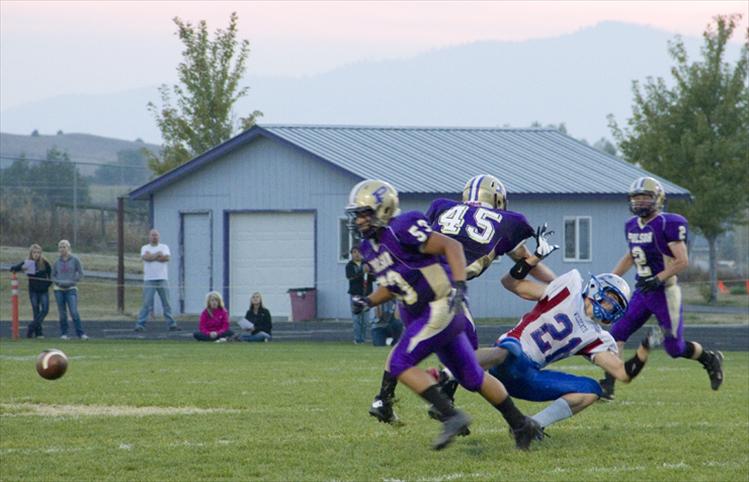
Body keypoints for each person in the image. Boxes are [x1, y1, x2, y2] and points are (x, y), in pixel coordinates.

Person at [346, 179, 543, 451]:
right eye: (357, 216)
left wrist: (459, 285)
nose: (359, 221)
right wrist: (367, 300)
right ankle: (522, 424)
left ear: (384, 209)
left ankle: (451, 416)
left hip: (440, 305)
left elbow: (453, 247)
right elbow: (392, 285)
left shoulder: (404, 226)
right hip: (421, 312)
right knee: (472, 377)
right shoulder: (369, 250)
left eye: (364, 214)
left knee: (400, 362)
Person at [473, 251, 656, 433]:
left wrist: (644, 350)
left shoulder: (596, 337)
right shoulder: (568, 289)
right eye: (610, 298)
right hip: (509, 353)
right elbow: (510, 283)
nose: (611, 306)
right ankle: (454, 371)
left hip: (527, 375)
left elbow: (623, 373)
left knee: (591, 389)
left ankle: (530, 426)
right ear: (595, 288)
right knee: (511, 349)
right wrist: (534, 258)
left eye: (616, 305)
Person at [599, 177, 724, 400]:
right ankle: (608, 385)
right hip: (642, 292)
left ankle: (709, 359)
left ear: (657, 199)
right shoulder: (631, 226)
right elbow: (631, 255)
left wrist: (659, 278)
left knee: (674, 349)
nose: (640, 202)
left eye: (645, 197)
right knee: (615, 334)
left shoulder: (669, 223)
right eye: (636, 198)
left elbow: (682, 260)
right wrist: (610, 279)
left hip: (665, 292)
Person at [134, 229, 180, 332]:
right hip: (149, 279)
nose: (154, 237)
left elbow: (166, 258)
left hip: (162, 279)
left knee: (166, 303)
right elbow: (146, 258)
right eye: (152, 235)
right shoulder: (145, 247)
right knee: (146, 303)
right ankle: (140, 324)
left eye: (156, 235)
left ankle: (172, 324)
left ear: (159, 237)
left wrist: (152, 256)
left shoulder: (164, 247)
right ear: (149, 236)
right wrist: (157, 255)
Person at [10, 244, 52, 338]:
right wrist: (21, 268)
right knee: (36, 310)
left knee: (45, 309)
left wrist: (46, 285)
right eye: (34, 252)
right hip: (33, 290)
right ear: (31, 253)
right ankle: (38, 333)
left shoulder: (45, 263)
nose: (36, 254)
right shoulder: (27, 262)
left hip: (43, 290)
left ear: (41, 253)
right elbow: (13, 269)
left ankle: (31, 327)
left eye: (38, 252)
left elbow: (51, 276)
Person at [51, 239, 88, 340]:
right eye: (61, 247)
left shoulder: (75, 260)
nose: (62, 249)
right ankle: (64, 333)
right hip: (59, 289)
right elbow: (52, 275)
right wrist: (57, 282)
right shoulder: (57, 262)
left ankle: (80, 333)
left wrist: (73, 281)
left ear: (69, 248)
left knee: (74, 311)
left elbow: (81, 274)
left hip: (71, 288)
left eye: (64, 247)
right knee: (62, 313)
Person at [346, 246, 372, 344]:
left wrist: (369, 272)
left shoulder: (367, 264)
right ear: (351, 254)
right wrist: (362, 272)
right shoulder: (349, 265)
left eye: (359, 252)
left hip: (367, 295)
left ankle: (363, 339)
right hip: (355, 294)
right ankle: (358, 339)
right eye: (354, 252)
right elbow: (350, 277)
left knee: (365, 319)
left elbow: (372, 278)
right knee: (357, 318)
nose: (357, 254)